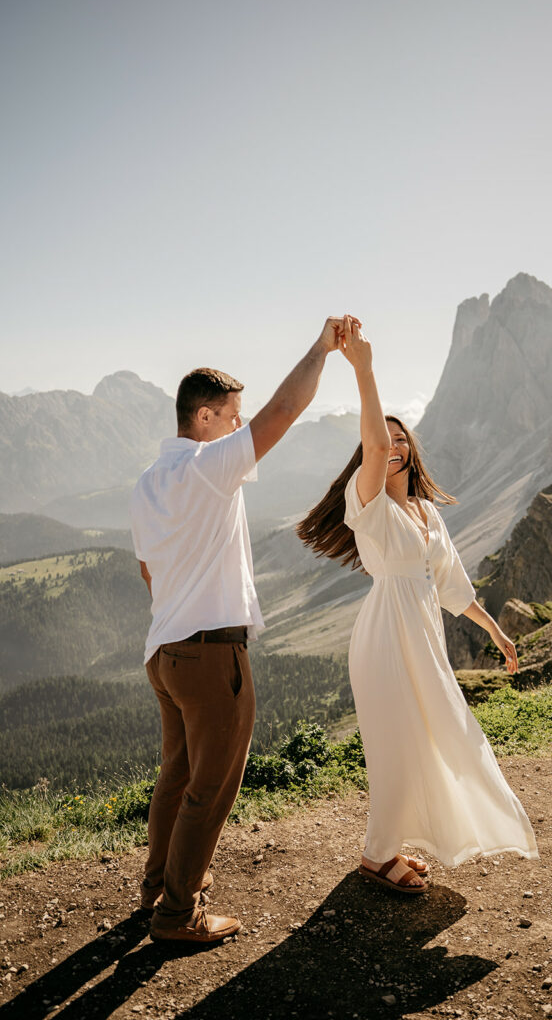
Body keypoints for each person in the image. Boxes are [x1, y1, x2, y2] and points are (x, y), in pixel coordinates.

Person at [130, 315, 354, 942]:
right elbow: (284, 410)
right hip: (209, 654)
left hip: (165, 653)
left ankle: (157, 888)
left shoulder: (147, 483)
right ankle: (178, 914)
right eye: (231, 415)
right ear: (203, 419)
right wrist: (322, 348)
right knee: (211, 787)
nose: (238, 426)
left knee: (176, 776)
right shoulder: (208, 466)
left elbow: (148, 571)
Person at [297, 319, 539, 893]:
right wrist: (363, 368)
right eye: (385, 439)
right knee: (396, 741)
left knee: (434, 735)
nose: (395, 443)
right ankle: (377, 856)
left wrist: (498, 635)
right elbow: (375, 444)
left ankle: (391, 846)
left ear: (414, 448)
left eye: (403, 436)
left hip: (423, 633)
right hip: (384, 636)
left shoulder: (429, 516)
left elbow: (455, 586)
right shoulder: (369, 500)